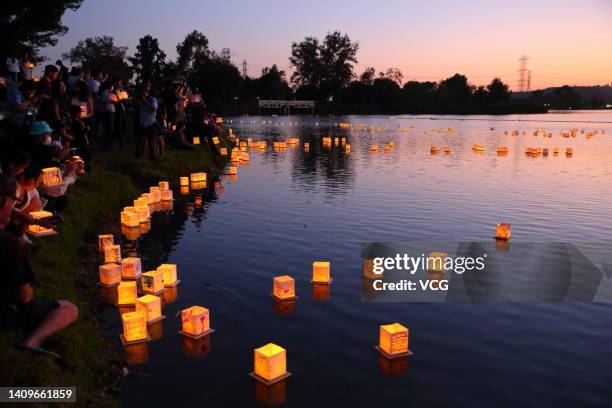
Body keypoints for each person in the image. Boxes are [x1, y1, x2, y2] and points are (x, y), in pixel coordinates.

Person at [0, 174, 78, 358]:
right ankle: (31, 342)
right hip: (4, 313)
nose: (13, 207)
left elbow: (11, 212)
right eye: (13, 202)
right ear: (5, 202)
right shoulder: (11, 244)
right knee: (69, 308)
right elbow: (24, 297)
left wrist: (32, 221)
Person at [136, 86, 159, 158]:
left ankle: (153, 157)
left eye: (143, 93)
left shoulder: (152, 99)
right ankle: (141, 156)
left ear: (147, 92)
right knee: (141, 142)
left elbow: (154, 109)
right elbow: (137, 108)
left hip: (151, 123)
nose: (142, 94)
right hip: (142, 124)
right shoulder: (139, 100)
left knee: (151, 143)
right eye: (141, 93)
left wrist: (145, 101)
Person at [99, 81, 118, 150]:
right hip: (109, 111)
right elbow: (113, 100)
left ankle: (108, 144)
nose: (113, 87)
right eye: (112, 86)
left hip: (111, 111)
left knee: (109, 129)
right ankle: (107, 145)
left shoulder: (108, 93)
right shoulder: (106, 93)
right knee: (109, 129)